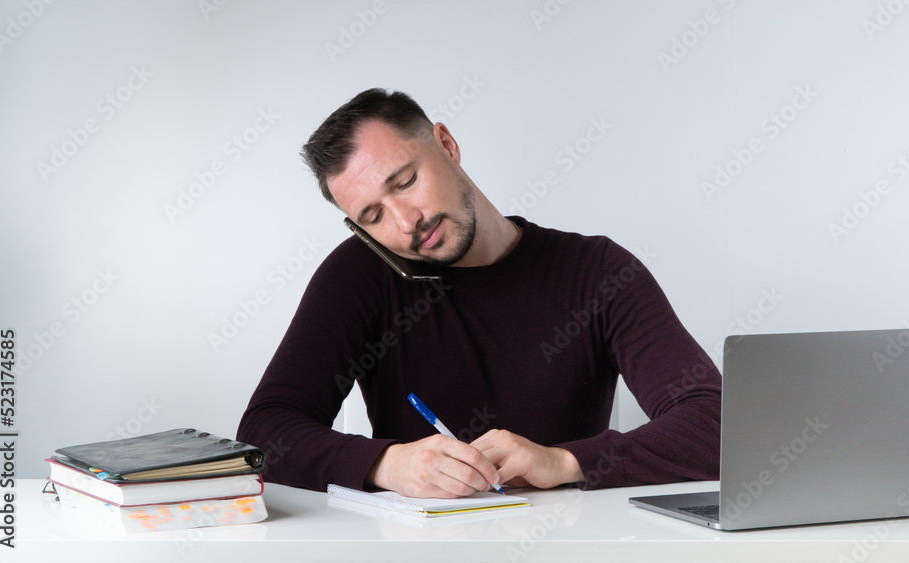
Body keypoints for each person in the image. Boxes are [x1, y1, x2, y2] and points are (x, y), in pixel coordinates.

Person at [236, 88, 721, 498]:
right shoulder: (358, 276)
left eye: (405, 182)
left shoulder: (596, 270)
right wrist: (387, 464)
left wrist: (565, 461)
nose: (407, 223)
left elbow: (717, 425)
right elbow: (264, 432)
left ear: (446, 145)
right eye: (374, 217)